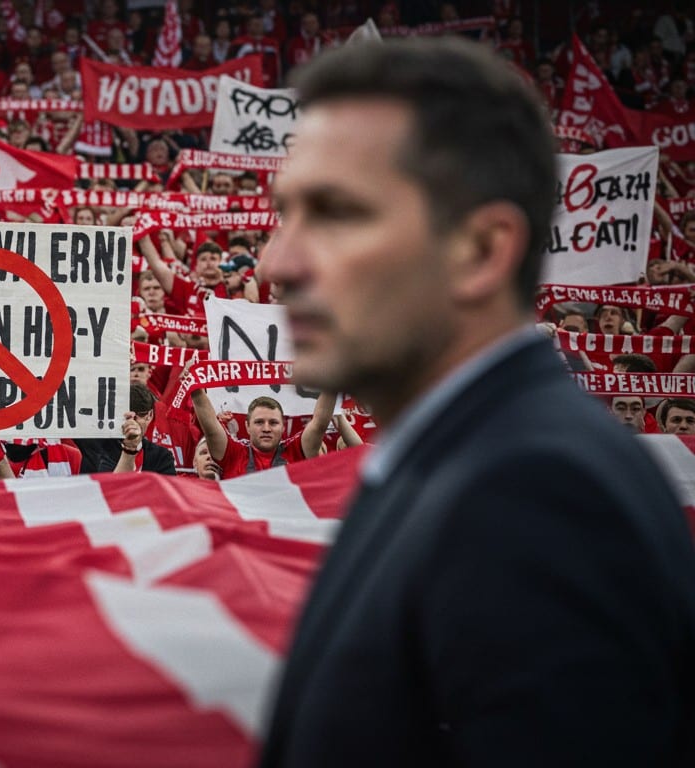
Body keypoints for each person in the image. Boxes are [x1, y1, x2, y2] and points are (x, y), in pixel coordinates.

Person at [257, 39, 695, 767]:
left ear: (483, 250)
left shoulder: (538, 494)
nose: (278, 262)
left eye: (336, 213)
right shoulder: (453, 458)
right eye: (284, 213)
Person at [190, 391, 333, 478]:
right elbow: (210, 429)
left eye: (273, 423)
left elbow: (319, 423)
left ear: (283, 427)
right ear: (247, 426)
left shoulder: (296, 451)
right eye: (259, 422)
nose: (266, 428)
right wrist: (196, 388)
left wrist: (332, 383)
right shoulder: (234, 454)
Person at [102, 382, 176, 474]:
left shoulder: (162, 456)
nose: (132, 422)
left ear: (150, 415)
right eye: (127, 417)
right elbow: (110, 483)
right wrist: (129, 449)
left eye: (138, 416)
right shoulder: (102, 449)